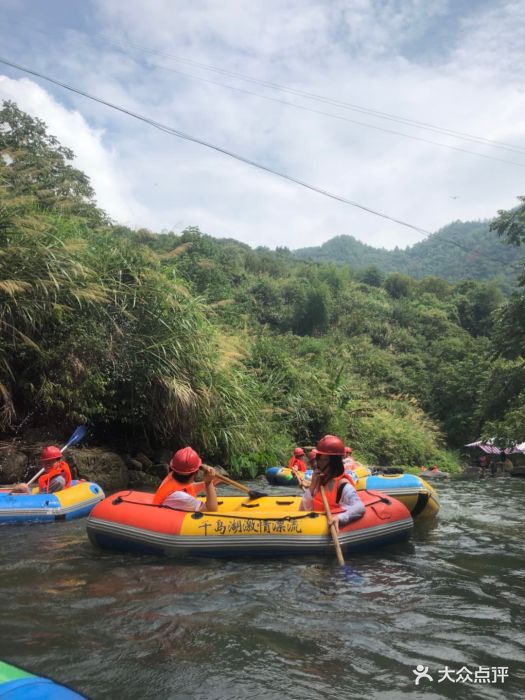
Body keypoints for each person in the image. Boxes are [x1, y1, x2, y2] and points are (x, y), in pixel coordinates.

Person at [299, 434, 365, 531]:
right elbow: (302, 509)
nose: (319, 463)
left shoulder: (343, 486)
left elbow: (359, 507)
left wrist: (340, 518)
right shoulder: (319, 482)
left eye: (324, 459)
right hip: (314, 525)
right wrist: (312, 486)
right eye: (319, 458)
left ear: (334, 463)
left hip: (331, 526)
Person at [152, 446, 218, 512]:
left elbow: (188, 488)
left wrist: (206, 485)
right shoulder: (181, 497)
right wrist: (208, 483)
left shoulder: (171, 476)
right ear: (196, 473)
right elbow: (211, 509)